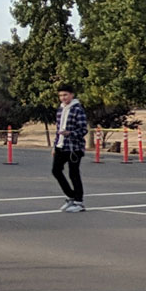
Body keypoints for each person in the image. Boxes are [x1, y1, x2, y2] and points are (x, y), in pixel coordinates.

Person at [51, 85, 89, 213]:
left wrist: (70, 133)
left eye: (65, 95)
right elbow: (58, 129)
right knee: (56, 170)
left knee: (74, 174)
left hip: (74, 148)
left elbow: (83, 129)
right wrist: (55, 145)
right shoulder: (60, 109)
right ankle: (71, 196)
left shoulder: (78, 109)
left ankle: (79, 201)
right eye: (61, 95)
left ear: (72, 95)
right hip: (61, 146)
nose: (63, 98)